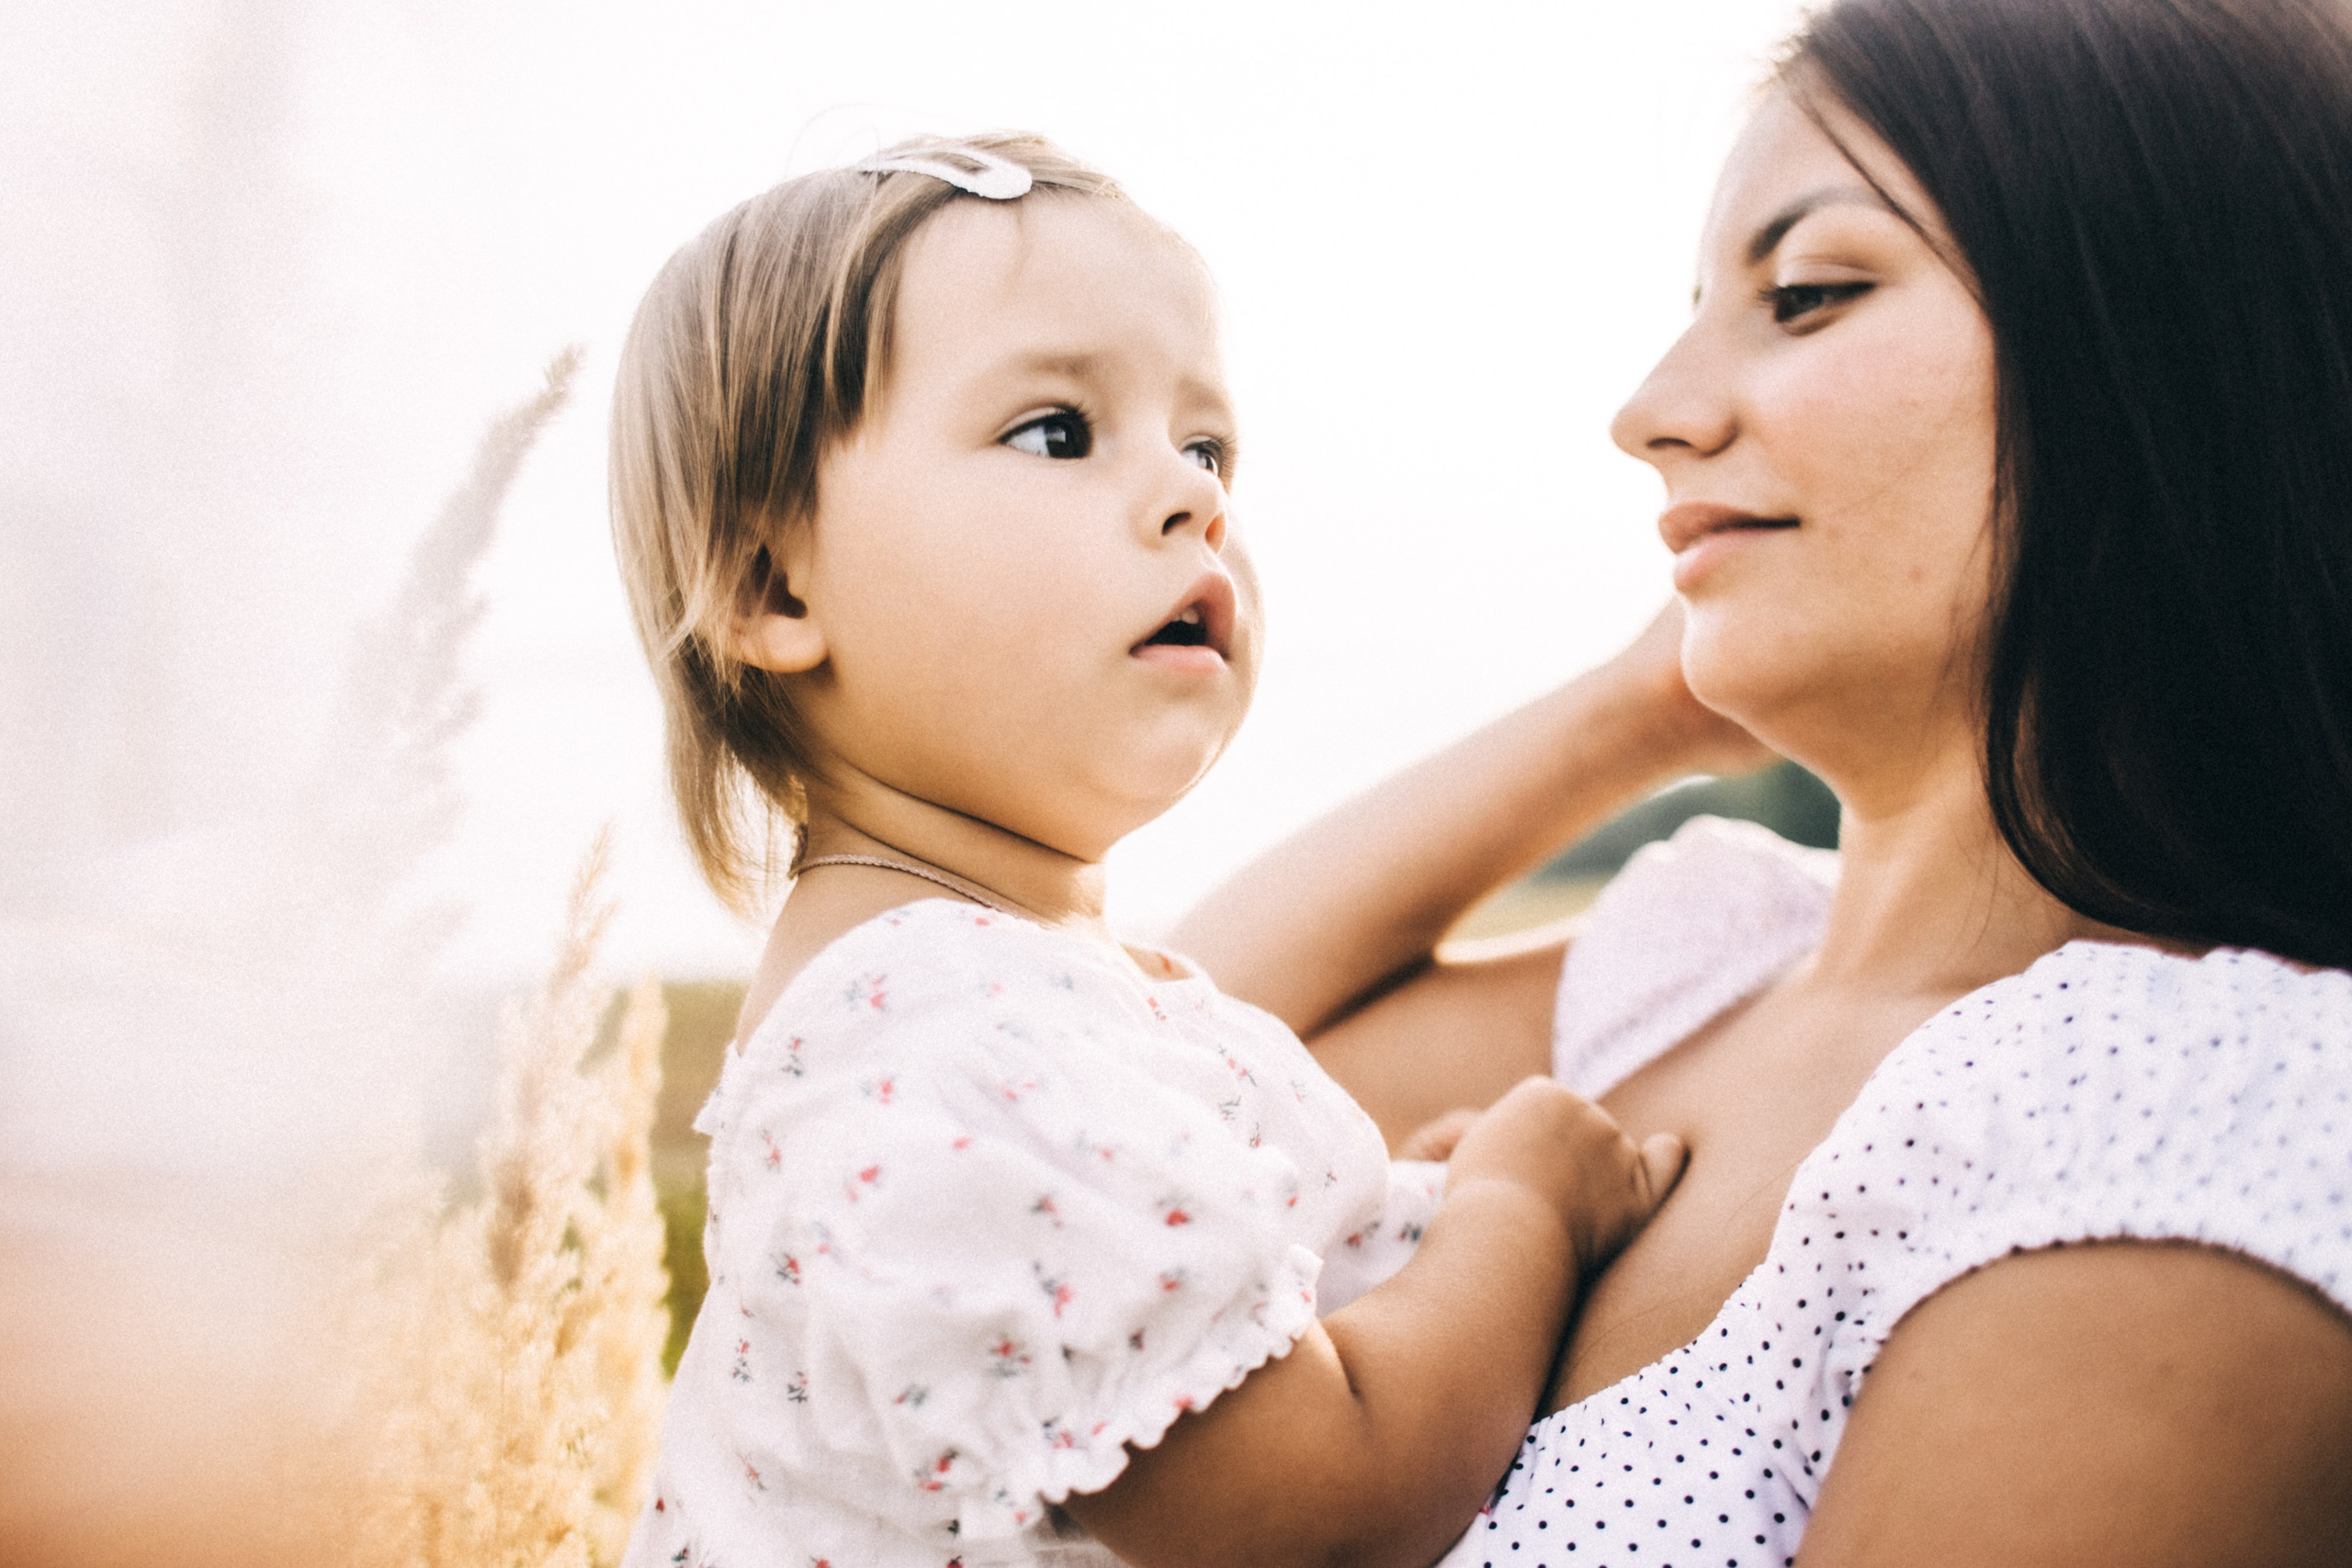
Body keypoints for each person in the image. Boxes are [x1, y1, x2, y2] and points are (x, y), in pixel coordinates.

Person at [1172, 1, 2352, 1562]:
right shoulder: (1691, 973)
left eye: (1806, 294)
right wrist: (1635, 707)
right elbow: (1146, 1086)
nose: (1652, 412)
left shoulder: (2190, 1116)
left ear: (2173, 342)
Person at [605, 134, 1686, 1568]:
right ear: (770, 584)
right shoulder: (949, 1062)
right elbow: (1326, 1505)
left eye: (1207, 444)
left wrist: (1398, 1227)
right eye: (1059, 431)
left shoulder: (1002, 1004)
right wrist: (1521, 1211)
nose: (1195, 499)